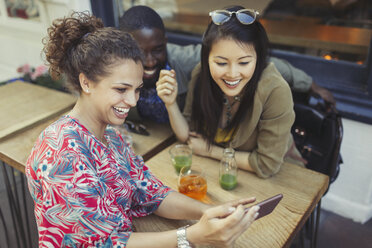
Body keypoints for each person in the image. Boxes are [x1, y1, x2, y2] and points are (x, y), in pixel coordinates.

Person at [25, 12, 260, 247]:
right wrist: (191, 236)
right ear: (86, 82)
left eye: (136, 89)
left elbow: (151, 192)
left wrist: (210, 211)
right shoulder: (61, 154)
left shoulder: (111, 138)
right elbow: (105, 243)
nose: (133, 101)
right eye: (121, 89)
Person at [157, 6, 305, 179]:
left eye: (243, 63)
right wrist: (170, 103)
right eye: (221, 63)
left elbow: (267, 165)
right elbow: (189, 137)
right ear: (206, 58)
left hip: (282, 179)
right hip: (226, 175)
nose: (232, 74)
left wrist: (211, 151)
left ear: (258, 58)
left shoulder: (275, 91)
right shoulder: (201, 74)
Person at [118, 5, 336, 123]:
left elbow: (262, 63)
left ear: (165, 43)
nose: (149, 61)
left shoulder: (184, 61)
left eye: (157, 50)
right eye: (139, 52)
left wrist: (310, 85)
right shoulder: (115, 68)